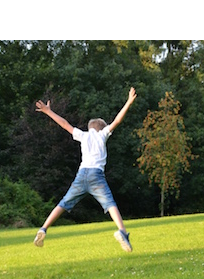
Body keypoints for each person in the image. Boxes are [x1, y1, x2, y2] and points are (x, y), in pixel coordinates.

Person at [33, 87, 137, 252]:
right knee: (110, 203)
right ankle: (122, 232)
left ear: (89, 127)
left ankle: (43, 228)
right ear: (101, 128)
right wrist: (128, 102)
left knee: (64, 203)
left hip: (82, 175)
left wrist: (48, 111)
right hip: (96, 175)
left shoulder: (83, 135)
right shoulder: (103, 135)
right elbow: (117, 121)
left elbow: (64, 124)